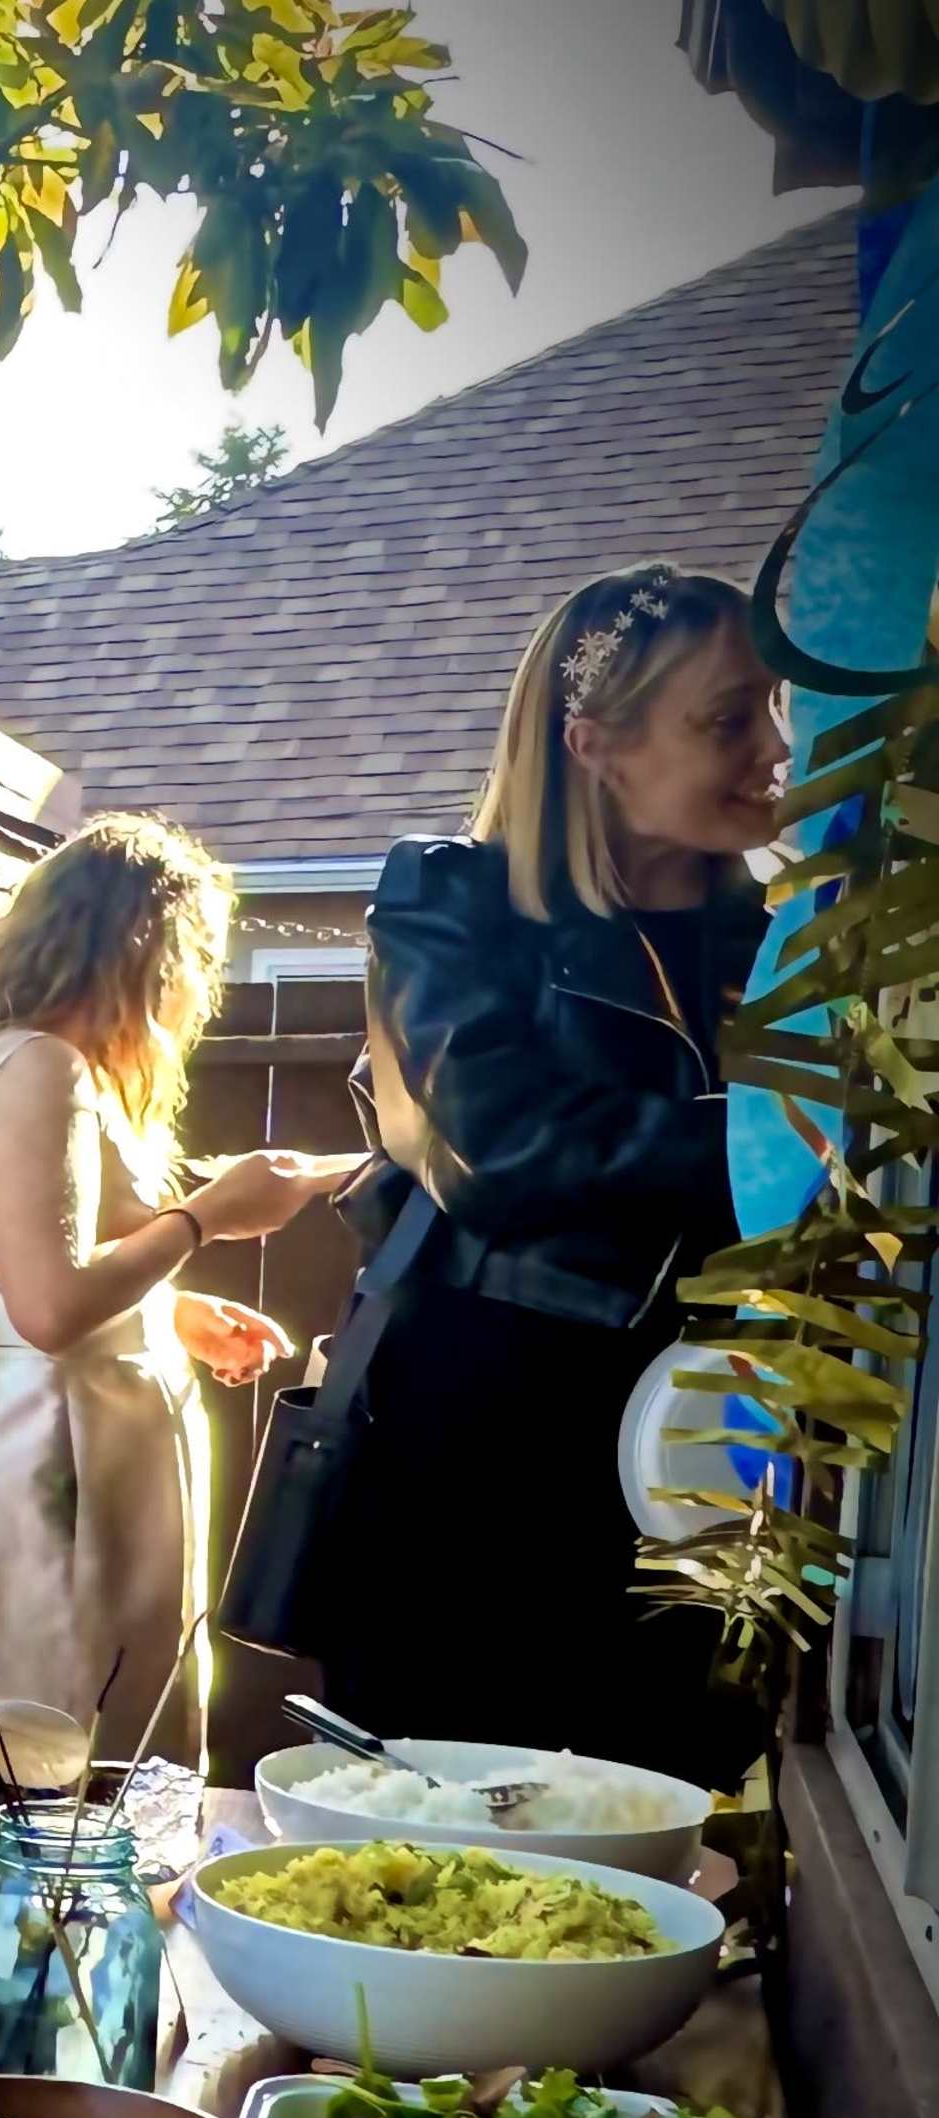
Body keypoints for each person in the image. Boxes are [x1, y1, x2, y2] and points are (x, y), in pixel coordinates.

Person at [312, 566, 790, 1781]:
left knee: (673, 1830)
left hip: (708, 1455)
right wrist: (776, 1139)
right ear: (595, 744)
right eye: (728, 717)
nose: (774, 746)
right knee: (446, 1840)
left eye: (773, 709)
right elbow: (500, 1150)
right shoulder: (453, 901)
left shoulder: (791, 936)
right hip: (479, 1448)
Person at [0, 815, 354, 1764]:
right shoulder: (42, 1071)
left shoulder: (6, 1066)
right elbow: (48, 1310)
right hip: (61, 1484)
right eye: (201, 963)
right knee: (69, 1782)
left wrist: (167, 1313)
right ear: (150, 953)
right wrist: (207, 1218)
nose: (201, 993)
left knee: (62, 1767)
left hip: (58, 1453)